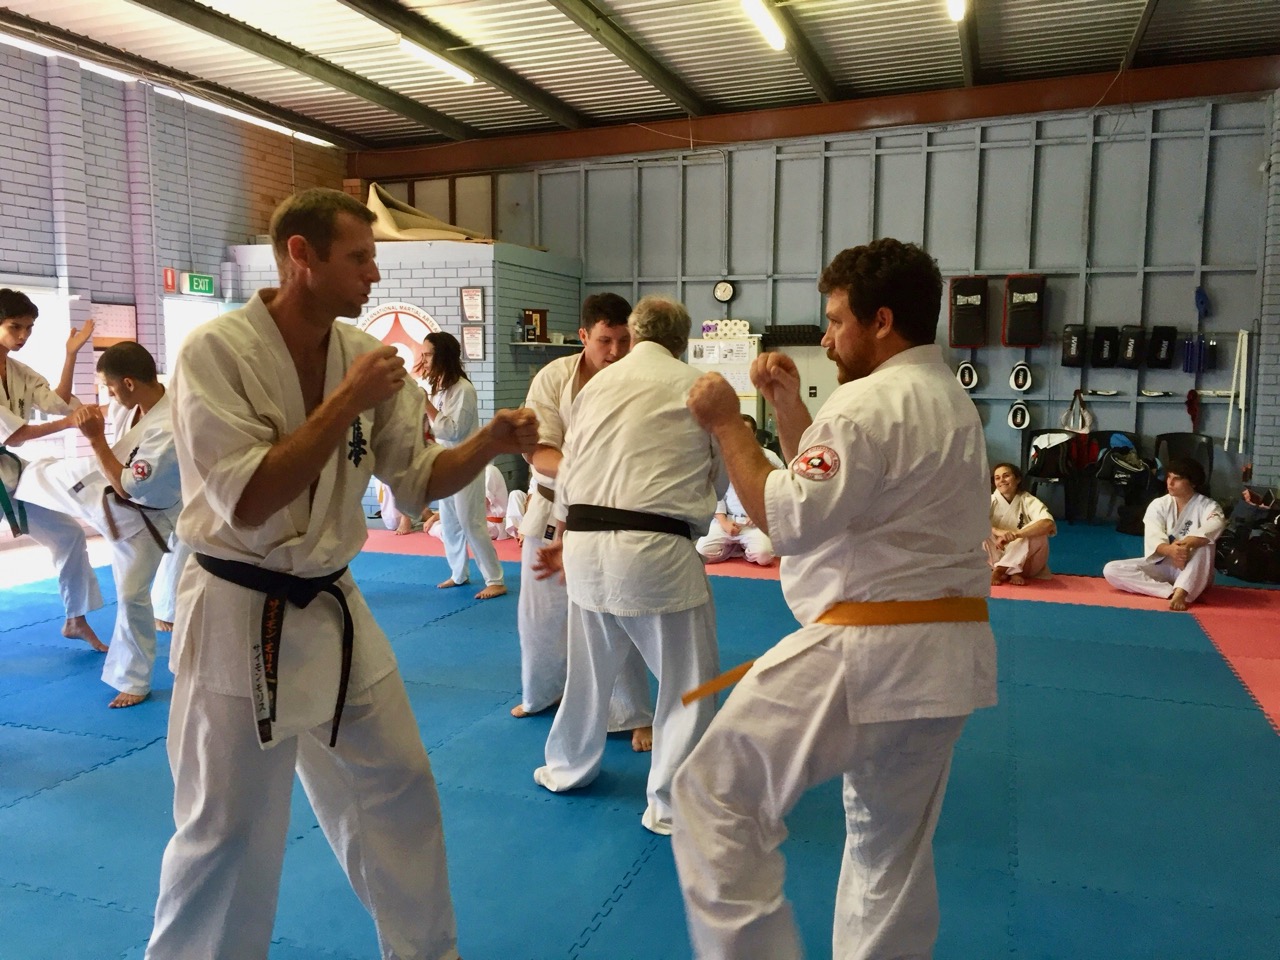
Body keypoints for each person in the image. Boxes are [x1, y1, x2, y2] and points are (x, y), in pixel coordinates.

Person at [144, 187, 538, 960]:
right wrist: (344, 401)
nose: (373, 272)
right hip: (238, 609)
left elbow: (417, 480)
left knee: (399, 785)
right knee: (228, 829)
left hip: (333, 602)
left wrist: (488, 442)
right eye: (358, 257)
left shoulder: (364, 357)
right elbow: (249, 498)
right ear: (302, 255)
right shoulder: (215, 355)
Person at [675, 239, 997, 959]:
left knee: (714, 794)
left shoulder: (867, 403)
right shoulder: (950, 401)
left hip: (869, 652)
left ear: (881, 321)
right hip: (946, 659)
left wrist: (729, 423)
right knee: (888, 855)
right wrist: (788, 407)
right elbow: (830, 499)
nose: (826, 339)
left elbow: (786, 519)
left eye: (835, 320)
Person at [533, 295, 725, 836]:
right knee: (689, 683)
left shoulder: (596, 386)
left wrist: (563, 530)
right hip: (655, 551)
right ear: (682, 342)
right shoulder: (699, 385)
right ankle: (671, 803)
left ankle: (567, 768)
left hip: (585, 544)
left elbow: (571, 465)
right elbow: (718, 474)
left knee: (589, 674)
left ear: (635, 336)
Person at [512, 292, 654, 755]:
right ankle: (542, 693)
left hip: (612, 511)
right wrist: (587, 472)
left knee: (614, 609)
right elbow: (539, 450)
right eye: (605, 340)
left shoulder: (641, 381)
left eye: (624, 340)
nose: (615, 351)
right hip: (552, 504)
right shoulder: (553, 378)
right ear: (583, 336)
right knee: (541, 611)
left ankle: (633, 713)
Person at [16, 341, 182, 707]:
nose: (108, 394)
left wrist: (95, 438)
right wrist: (79, 414)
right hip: (102, 492)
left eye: (109, 387)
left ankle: (134, 680)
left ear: (128, 383)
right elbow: (104, 412)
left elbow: (126, 485)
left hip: (144, 518)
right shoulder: (137, 401)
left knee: (132, 595)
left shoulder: (168, 428)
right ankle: (12, 484)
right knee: (33, 477)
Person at [0, 288, 105, 650]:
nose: (24, 335)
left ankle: (76, 619)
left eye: (29, 328)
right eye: (16, 327)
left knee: (68, 534)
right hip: (8, 463)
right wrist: (70, 423)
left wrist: (71, 354)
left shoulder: (18, 370)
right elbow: (15, 434)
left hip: (8, 473)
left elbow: (57, 402)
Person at [419, 331, 507, 600]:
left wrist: (426, 405)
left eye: (428, 355)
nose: (424, 360)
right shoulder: (441, 389)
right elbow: (436, 429)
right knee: (449, 522)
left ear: (443, 356)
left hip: (467, 463)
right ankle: (459, 573)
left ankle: (495, 579)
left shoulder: (464, 390)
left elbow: (453, 431)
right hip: (444, 462)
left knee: (471, 522)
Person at [1102, 456, 1225, 611]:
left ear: (1193, 482)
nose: (1170, 483)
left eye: (1177, 479)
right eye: (1168, 477)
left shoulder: (1208, 506)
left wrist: (1187, 544)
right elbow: (1154, 536)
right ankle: (1169, 592)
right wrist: (1171, 550)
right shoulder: (1159, 505)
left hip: (1192, 567)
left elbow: (1217, 523)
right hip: (1163, 563)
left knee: (1205, 543)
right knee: (1111, 570)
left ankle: (1183, 591)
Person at [695, 414, 785, 567]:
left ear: (754, 434)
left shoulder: (770, 458)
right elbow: (715, 491)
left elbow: (780, 491)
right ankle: (733, 548)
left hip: (755, 522)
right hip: (727, 519)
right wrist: (724, 522)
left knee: (764, 557)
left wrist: (761, 513)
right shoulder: (722, 458)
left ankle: (744, 549)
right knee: (701, 553)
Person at [985, 461, 1056, 585]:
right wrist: (998, 532)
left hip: (1025, 564)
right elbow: (971, 522)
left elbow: (1048, 523)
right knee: (978, 528)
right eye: (997, 478)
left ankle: (1001, 569)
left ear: (1017, 479)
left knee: (1037, 532)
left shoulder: (1028, 500)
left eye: (1006, 476)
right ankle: (1010, 569)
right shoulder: (989, 500)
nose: (1001, 480)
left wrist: (1016, 535)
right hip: (994, 556)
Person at [424, 465, 511, 540]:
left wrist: (436, 517)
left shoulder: (489, 471)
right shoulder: (470, 474)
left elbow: (479, 506)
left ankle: (446, 530)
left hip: (490, 524)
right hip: (472, 520)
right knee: (435, 526)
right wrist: (438, 517)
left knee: (447, 530)